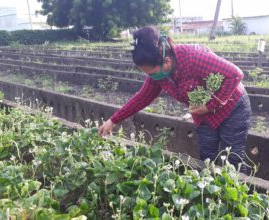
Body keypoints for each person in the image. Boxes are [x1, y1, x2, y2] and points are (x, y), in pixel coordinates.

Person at [98, 26, 252, 173]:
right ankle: (211, 195)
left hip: (232, 106)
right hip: (203, 113)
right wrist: (113, 121)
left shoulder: (193, 57)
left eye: (152, 73)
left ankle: (237, 194)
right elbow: (142, 98)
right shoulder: (159, 75)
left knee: (233, 159)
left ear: (167, 62)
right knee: (206, 158)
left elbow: (235, 74)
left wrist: (210, 105)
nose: (151, 78)